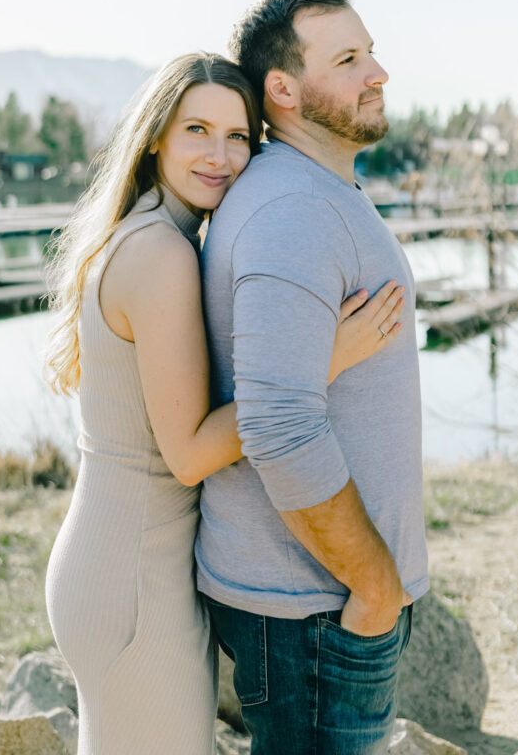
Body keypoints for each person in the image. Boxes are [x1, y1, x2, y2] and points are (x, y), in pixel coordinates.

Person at [42, 52, 406, 755]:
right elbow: (188, 454)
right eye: (196, 131)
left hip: (116, 560)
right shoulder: (161, 255)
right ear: (154, 138)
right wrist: (321, 359)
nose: (220, 156)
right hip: (134, 578)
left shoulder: (153, 231)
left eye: (238, 136)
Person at [196, 0, 429, 755]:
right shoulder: (290, 211)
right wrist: (373, 587)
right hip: (313, 614)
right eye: (349, 58)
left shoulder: (314, 191)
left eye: (371, 51)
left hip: (321, 603)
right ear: (284, 90)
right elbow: (279, 425)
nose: (379, 72)